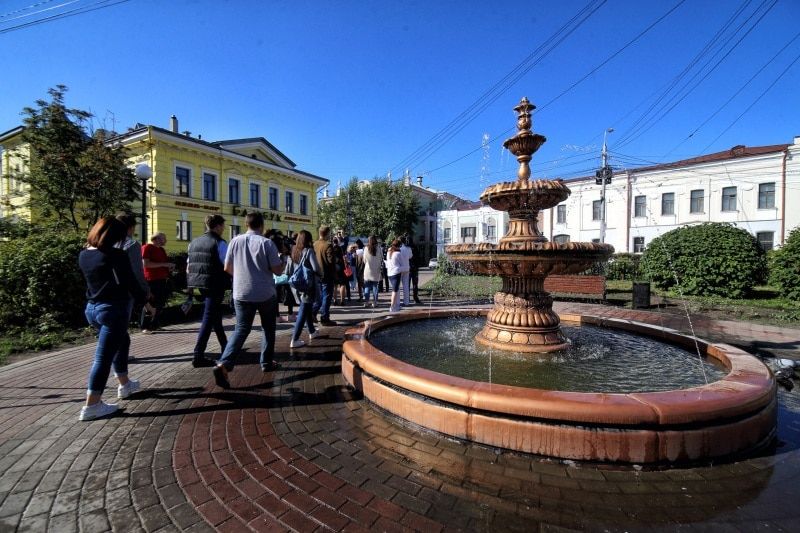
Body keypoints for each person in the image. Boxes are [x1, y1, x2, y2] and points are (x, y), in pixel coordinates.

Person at [78, 217, 153, 421]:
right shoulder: (116, 255)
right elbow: (131, 283)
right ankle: (92, 405)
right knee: (102, 358)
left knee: (122, 340)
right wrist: (146, 303)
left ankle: (125, 383)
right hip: (113, 310)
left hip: (92, 309)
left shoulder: (84, 254)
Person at [212, 212, 285, 389]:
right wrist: (282, 259)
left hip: (241, 292)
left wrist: (242, 276)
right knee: (268, 328)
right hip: (264, 293)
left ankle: (224, 364)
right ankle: (266, 363)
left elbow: (227, 268)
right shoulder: (266, 243)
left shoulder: (234, 241)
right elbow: (278, 271)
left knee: (241, 329)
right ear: (262, 225)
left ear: (246, 224)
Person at [186, 214, 230, 368]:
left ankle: (226, 346)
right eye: (223, 226)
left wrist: (190, 287)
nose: (224, 228)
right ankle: (198, 355)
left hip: (199, 283)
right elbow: (228, 265)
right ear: (217, 226)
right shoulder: (219, 243)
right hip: (215, 283)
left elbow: (189, 267)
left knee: (215, 316)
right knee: (209, 317)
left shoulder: (194, 242)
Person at [287, 230, 322, 348]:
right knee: (303, 310)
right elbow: (316, 268)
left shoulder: (294, 250)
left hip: (297, 284)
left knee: (307, 308)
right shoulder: (308, 251)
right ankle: (295, 339)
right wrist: (321, 274)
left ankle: (312, 331)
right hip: (308, 285)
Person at [115, 213, 149, 326]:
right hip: (125, 292)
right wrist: (145, 290)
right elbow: (137, 271)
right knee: (120, 327)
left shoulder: (106, 243)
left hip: (105, 292)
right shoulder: (132, 245)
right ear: (131, 227)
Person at [140, 232, 174, 333]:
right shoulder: (147, 247)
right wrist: (164, 264)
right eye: (163, 238)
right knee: (150, 303)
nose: (165, 240)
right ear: (156, 239)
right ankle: (145, 326)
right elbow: (146, 264)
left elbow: (163, 264)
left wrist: (169, 267)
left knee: (160, 303)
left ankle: (154, 324)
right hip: (151, 279)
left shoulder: (161, 250)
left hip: (162, 279)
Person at [312, 225, 337, 326]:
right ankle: (324, 318)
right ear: (327, 233)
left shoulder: (314, 244)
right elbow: (331, 261)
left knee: (319, 297)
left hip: (316, 274)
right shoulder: (328, 245)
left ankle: (313, 313)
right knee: (326, 297)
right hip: (326, 275)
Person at [362, 235, 383, 308]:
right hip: (376, 270)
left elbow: (364, 260)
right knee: (375, 287)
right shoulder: (379, 248)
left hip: (368, 270)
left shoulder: (366, 248)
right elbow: (381, 258)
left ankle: (366, 302)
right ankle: (375, 302)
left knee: (367, 287)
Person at [386, 239, 403, 313]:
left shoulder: (389, 253)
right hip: (396, 273)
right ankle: (392, 307)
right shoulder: (398, 254)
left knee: (395, 290)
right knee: (395, 291)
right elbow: (402, 263)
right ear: (399, 246)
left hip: (390, 273)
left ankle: (395, 305)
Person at [408, 236, 423, 304]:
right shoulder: (415, 247)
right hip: (415, 268)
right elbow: (418, 257)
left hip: (408, 268)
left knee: (407, 284)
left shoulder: (406, 248)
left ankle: (407, 298)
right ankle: (415, 298)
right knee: (415, 284)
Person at [399, 236, 413, 307]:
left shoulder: (398, 249)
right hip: (407, 268)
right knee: (406, 286)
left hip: (400, 268)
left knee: (397, 286)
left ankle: (397, 301)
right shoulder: (408, 248)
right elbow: (410, 256)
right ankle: (406, 302)